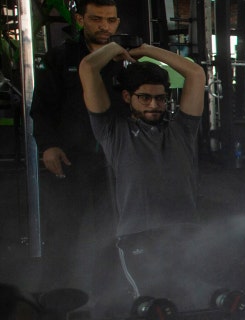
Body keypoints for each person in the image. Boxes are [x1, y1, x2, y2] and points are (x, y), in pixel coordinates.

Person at [78, 42, 206, 310]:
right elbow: (88, 68)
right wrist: (114, 47)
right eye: (144, 98)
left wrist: (148, 50)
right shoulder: (113, 132)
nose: (154, 105)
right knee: (150, 307)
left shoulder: (182, 129)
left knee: (190, 303)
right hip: (138, 235)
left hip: (184, 232)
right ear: (127, 97)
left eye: (160, 98)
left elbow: (195, 74)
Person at [29, 0, 123, 309]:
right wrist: (48, 145)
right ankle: (53, 298)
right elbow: (41, 108)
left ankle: (108, 297)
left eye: (110, 20)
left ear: (117, 23)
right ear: (80, 19)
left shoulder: (124, 59)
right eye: (96, 19)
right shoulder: (59, 58)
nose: (104, 26)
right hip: (71, 158)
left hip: (112, 161)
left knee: (115, 232)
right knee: (64, 232)